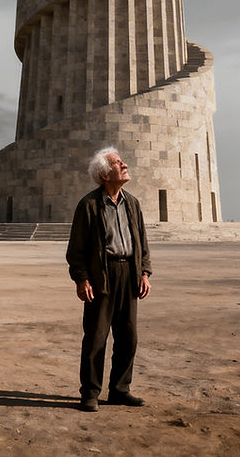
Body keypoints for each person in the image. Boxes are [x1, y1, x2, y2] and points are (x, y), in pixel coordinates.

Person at [65, 147, 152, 412]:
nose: (124, 164)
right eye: (117, 163)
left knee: (128, 337)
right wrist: (82, 279)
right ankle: (90, 393)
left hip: (129, 274)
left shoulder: (133, 203)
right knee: (96, 338)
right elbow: (76, 249)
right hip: (102, 275)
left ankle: (120, 389)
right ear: (104, 174)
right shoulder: (89, 205)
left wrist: (145, 272)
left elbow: (142, 243)